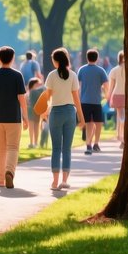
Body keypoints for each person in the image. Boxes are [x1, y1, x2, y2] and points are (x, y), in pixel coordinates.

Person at [0, 46, 28, 189]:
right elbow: (21, 98)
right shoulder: (17, 76)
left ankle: (1, 180)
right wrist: (26, 117)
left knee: (1, 149)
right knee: (13, 148)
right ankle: (9, 171)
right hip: (13, 118)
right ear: (12, 59)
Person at [42, 47, 85, 190]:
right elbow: (76, 98)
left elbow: (47, 97)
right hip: (70, 112)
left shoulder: (51, 76)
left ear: (56, 61)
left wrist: (44, 111)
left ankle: (54, 182)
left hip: (56, 112)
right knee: (67, 148)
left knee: (56, 148)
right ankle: (65, 180)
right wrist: (81, 117)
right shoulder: (73, 75)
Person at [77, 48, 109, 154]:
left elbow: (77, 86)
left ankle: (88, 144)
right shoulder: (101, 71)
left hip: (84, 100)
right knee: (98, 123)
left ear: (87, 58)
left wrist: (77, 97)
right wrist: (106, 96)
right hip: (96, 101)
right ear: (97, 58)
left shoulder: (82, 69)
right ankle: (96, 143)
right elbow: (106, 86)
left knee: (88, 124)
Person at [108, 50, 126, 148]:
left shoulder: (114, 70)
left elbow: (111, 86)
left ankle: (121, 137)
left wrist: (108, 96)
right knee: (126, 116)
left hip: (117, 94)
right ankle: (125, 136)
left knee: (120, 117)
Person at [27, 77, 48, 148]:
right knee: (32, 127)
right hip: (32, 111)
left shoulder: (36, 91)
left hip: (36, 111)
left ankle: (34, 143)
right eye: (37, 83)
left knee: (35, 127)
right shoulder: (33, 92)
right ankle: (32, 142)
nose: (39, 84)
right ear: (33, 84)